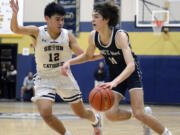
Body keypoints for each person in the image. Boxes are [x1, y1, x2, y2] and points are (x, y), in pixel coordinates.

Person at [61, 2, 173, 135]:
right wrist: (69, 62)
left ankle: (166, 132)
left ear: (106, 19)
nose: (92, 20)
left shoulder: (120, 36)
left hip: (131, 73)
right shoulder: (93, 36)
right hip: (115, 74)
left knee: (139, 112)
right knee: (111, 114)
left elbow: (131, 65)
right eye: (92, 16)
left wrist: (115, 82)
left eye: (96, 17)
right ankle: (141, 115)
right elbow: (88, 56)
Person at [10, 1, 103, 135]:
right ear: (47, 19)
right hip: (44, 78)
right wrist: (15, 14)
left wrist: (101, 56)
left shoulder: (67, 36)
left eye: (62, 20)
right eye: (57, 19)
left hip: (64, 78)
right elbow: (16, 29)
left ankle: (95, 118)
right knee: (45, 113)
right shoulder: (37, 32)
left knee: (81, 113)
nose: (61, 23)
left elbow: (84, 56)